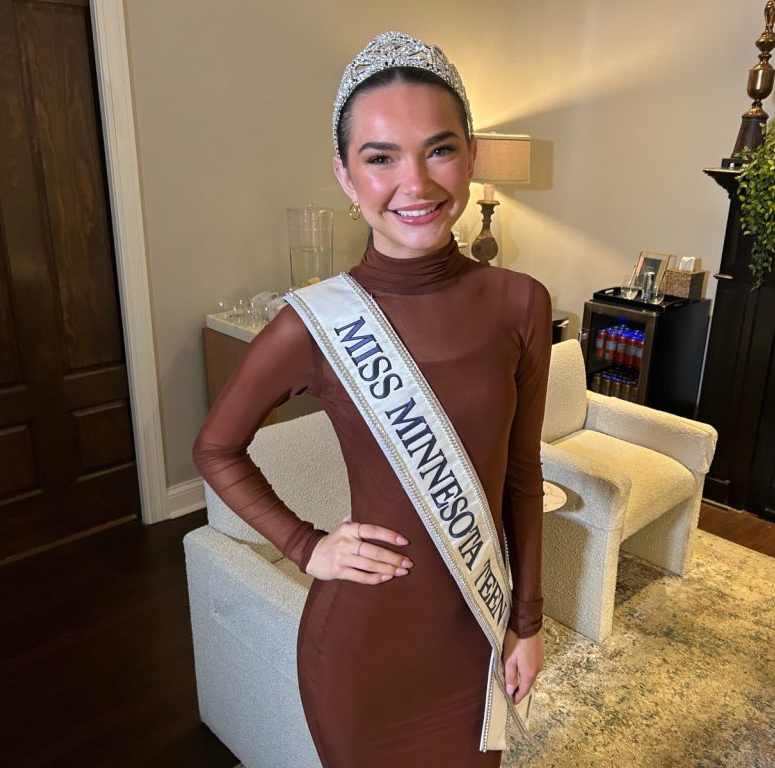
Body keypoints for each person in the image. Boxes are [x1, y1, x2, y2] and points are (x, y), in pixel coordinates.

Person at [192, 31, 551, 767]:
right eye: (380, 157)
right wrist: (307, 546)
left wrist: (528, 623)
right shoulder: (314, 323)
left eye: (439, 149)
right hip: (361, 651)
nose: (414, 184)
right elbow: (215, 449)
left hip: (471, 635)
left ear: (472, 155)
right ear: (346, 177)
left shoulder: (522, 302)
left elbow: (520, 474)